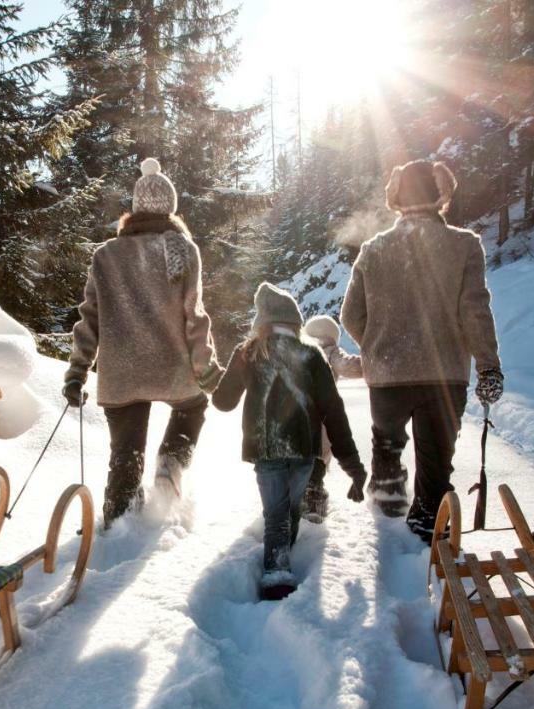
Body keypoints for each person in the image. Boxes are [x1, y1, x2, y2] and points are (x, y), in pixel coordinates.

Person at [340, 159, 503, 543]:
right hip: (444, 376)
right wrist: (489, 367)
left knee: (387, 446)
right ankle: (427, 534)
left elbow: (350, 315)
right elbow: (474, 311)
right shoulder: (464, 245)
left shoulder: (373, 249)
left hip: (386, 377)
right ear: (441, 193)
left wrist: (376, 345)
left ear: (396, 197)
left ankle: (386, 519)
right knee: (435, 469)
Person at [64, 158, 222, 527]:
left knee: (124, 455)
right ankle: (171, 464)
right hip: (172, 369)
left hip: (121, 375)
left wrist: (77, 372)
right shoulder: (182, 248)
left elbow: (90, 319)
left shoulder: (105, 255)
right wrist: (206, 368)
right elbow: (194, 316)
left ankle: (118, 525)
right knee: (194, 406)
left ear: (135, 209)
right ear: (170, 207)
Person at [213, 283, 367, 599]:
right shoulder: (311, 355)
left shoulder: (248, 352)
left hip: (265, 449)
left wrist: (221, 377)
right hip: (304, 452)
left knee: (275, 515)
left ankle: (276, 574)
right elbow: (333, 412)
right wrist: (351, 464)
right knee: (287, 510)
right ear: (296, 322)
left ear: (262, 320)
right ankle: (280, 559)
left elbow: (223, 402)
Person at [300, 314, 364, 523]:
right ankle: (313, 499)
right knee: (319, 455)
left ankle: (297, 495)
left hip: (296, 412)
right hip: (323, 414)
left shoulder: (298, 347)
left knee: (301, 456)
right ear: (332, 335)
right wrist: (372, 364)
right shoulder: (331, 351)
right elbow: (349, 366)